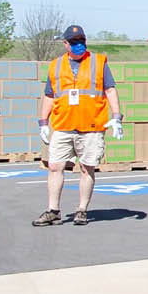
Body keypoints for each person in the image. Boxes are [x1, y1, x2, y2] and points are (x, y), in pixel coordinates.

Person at [33, 25, 119, 227]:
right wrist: (43, 122)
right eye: (74, 42)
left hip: (91, 126)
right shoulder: (55, 66)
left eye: (81, 41)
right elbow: (49, 95)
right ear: (65, 44)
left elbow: (110, 90)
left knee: (87, 168)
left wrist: (116, 116)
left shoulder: (98, 63)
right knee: (55, 166)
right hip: (63, 125)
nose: (78, 45)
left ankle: (82, 210)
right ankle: (53, 210)